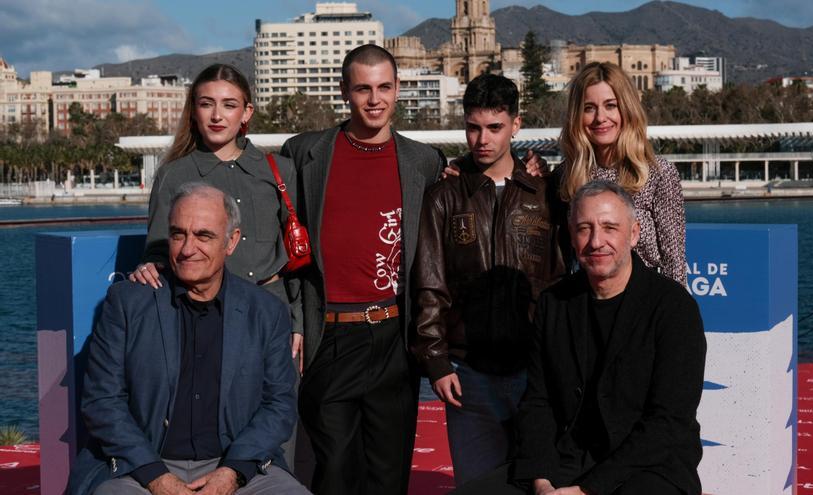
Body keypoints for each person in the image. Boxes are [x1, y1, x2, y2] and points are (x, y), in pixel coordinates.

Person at [455, 181, 706, 495]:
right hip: (566, 460)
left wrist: (587, 491)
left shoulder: (673, 307)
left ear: (634, 234)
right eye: (584, 229)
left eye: (610, 228)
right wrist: (541, 480)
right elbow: (538, 401)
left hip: (648, 467)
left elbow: (669, 421)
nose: (596, 241)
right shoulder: (554, 303)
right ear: (572, 238)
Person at [69, 184, 310, 495]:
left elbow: (279, 405)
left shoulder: (265, 312)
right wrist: (157, 477)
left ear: (231, 241)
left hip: (238, 467)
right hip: (140, 468)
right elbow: (102, 401)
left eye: (203, 236)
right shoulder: (128, 303)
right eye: (178, 234)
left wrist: (232, 473)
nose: (187, 248)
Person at [280, 44, 446, 495]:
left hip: (395, 336)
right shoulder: (303, 153)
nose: (375, 99)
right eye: (363, 89)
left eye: (384, 88)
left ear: (397, 90)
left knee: (389, 476)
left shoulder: (424, 162)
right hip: (329, 336)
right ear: (344, 92)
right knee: (334, 471)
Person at [412, 73, 565, 486]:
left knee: (541, 482)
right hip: (468, 374)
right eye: (474, 127)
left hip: (535, 371)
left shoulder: (547, 193)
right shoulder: (444, 195)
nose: (483, 139)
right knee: (478, 487)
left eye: (495, 128)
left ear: (516, 125)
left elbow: (560, 281)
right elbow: (431, 282)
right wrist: (437, 361)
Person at [130, 63, 303, 371]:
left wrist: (299, 321)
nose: (217, 115)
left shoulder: (279, 169)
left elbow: (297, 259)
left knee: (279, 412)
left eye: (229, 105)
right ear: (194, 111)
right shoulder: (173, 174)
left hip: (274, 313)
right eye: (206, 104)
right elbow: (158, 249)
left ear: (246, 112)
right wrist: (148, 265)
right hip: (204, 315)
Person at [558, 62, 686, 286]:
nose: (600, 117)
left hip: (646, 305)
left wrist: (674, 313)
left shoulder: (658, 174)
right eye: (589, 108)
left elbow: (674, 261)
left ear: (626, 109)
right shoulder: (565, 176)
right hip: (586, 306)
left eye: (610, 105)